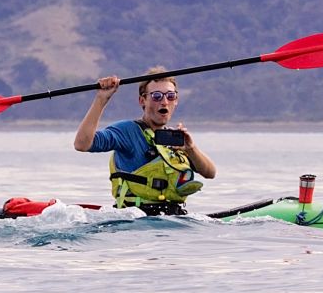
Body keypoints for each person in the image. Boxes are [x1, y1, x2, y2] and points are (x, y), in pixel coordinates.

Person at [73, 70, 218, 214]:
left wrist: (191, 149)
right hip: (134, 222)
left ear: (176, 100)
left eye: (170, 96)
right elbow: (82, 144)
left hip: (173, 222)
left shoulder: (175, 139)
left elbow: (210, 173)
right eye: (156, 96)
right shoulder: (127, 131)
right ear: (142, 100)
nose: (164, 101)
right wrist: (101, 99)